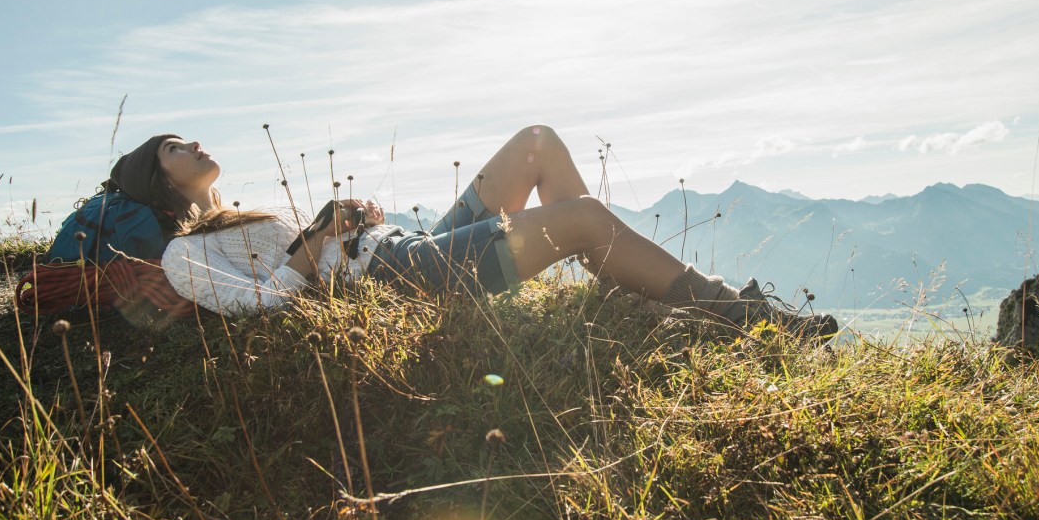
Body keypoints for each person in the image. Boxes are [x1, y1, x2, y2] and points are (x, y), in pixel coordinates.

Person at [141, 126, 836, 338]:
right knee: (586, 220)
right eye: (175, 147)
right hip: (399, 281)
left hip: (405, 250)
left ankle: (616, 270)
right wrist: (320, 234)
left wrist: (347, 223)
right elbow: (262, 305)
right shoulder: (182, 254)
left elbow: (316, 251)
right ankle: (735, 311)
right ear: (155, 177)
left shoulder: (247, 214)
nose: (193, 144)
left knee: (538, 143)